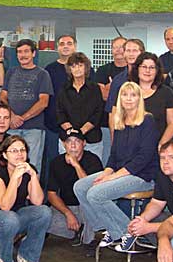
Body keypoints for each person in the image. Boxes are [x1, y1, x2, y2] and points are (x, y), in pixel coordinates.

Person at [74, 81, 159, 249]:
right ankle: (109, 229)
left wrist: (113, 176)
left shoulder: (147, 120)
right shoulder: (119, 121)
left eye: (133, 95)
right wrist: (106, 173)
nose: (128, 99)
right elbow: (114, 155)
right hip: (121, 172)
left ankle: (126, 231)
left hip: (142, 175)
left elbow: (143, 158)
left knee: (95, 194)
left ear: (139, 98)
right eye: (125, 95)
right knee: (80, 187)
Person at [0, 135, 52, 262]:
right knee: (9, 217)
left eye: (22, 150)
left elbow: (37, 201)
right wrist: (15, 178)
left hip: (15, 217)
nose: (19, 154)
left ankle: (27, 256)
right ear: (4, 155)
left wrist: (33, 175)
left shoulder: (29, 170)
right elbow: (5, 206)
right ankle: (2, 256)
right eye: (14, 151)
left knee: (44, 212)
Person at [114, 140, 173, 253]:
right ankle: (167, 255)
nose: (166, 162)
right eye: (162, 158)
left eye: (171, 157)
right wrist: (141, 221)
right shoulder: (163, 176)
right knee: (147, 218)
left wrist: (148, 227)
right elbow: (157, 203)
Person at [0, 39, 53, 171]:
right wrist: (11, 116)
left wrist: (21, 118)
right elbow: (3, 97)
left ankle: (31, 192)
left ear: (33, 53)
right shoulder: (11, 73)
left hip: (33, 129)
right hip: (11, 128)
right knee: (10, 166)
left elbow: (43, 102)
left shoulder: (42, 74)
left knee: (32, 166)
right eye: (19, 52)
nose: (23, 55)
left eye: (26, 51)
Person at [47, 129, 102, 246]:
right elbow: (51, 194)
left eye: (77, 141)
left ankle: (88, 240)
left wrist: (76, 165)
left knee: (95, 208)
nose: (72, 145)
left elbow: (91, 190)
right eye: (69, 141)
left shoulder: (93, 160)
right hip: (67, 207)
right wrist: (68, 214)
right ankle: (76, 231)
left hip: (86, 207)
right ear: (64, 144)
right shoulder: (56, 162)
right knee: (43, 219)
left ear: (84, 143)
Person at [45, 34, 81, 184]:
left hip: (79, 128)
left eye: (69, 43)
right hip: (54, 127)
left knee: (78, 166)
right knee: (56, 165)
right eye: (62, 43)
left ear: (75, 46)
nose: (66, 46)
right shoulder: (49, 70)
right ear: (57, 48)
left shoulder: (83, 69)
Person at [56, 52, 104, 158]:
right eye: (73, 66)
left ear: (86, 68)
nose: (77, 69)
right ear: (69, 69)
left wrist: (81, 132)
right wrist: (72, 133)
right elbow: (60, 113)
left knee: (93, 173)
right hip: (68, 139)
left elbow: (98, 113)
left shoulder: (94, 88)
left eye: (80, 65)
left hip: (91, 139)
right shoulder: (63, 89)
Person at [127, 52, 173, 148]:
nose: (147, 71)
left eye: (152, 67)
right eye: (144, 67)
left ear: (157, 71)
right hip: (129, 146)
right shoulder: (127, 91)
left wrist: (162, 144)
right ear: (137, 69)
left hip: (156, 147)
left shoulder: (166, 93)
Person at [95, 36, 127, 166]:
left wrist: (111, 88)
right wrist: (117, 90)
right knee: (108, 159)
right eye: (115, 47)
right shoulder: (103, 70)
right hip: (106, 124)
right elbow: (103, 96)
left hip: (128, 123)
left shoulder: (133, 71)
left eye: (121, 47)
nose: (118, 50)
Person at [103, 38, 146, 114]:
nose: (131, 54)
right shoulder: (118, 80)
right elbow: (111, 111)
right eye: (128, 50)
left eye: (135, 51)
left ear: (142, 53)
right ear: (124, 53)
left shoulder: (148, 77)